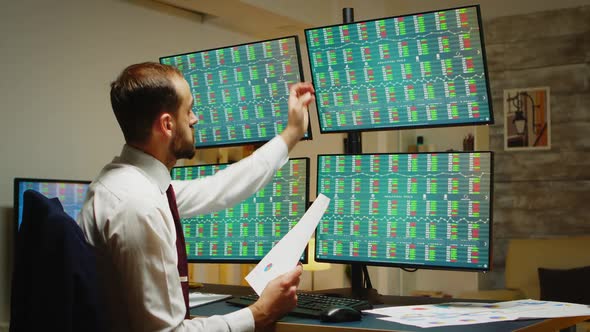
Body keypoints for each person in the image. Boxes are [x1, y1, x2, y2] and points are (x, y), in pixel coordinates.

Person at [79, 62, 315, 331]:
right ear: (167, 124)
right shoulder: (136, 205)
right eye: (188, 110)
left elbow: (220, 188)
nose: (194, 119)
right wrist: (260, 312)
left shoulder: (130, 185)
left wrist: (292, 132)